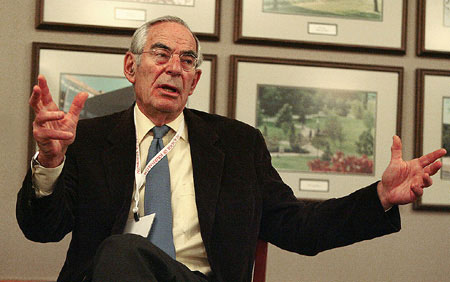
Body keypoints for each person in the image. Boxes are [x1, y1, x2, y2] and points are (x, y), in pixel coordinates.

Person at [17, 16, 446, 282]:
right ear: (131, 67)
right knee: (119, 252)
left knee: (120, 249)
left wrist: (381, 197)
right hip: (108, 277)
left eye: (187, 61)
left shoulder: (239, 146)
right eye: (161, 54)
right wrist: (50, 162)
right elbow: (42, 229)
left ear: (195, 82)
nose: (174, 68)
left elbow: (299, 227)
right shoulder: (89, 140)